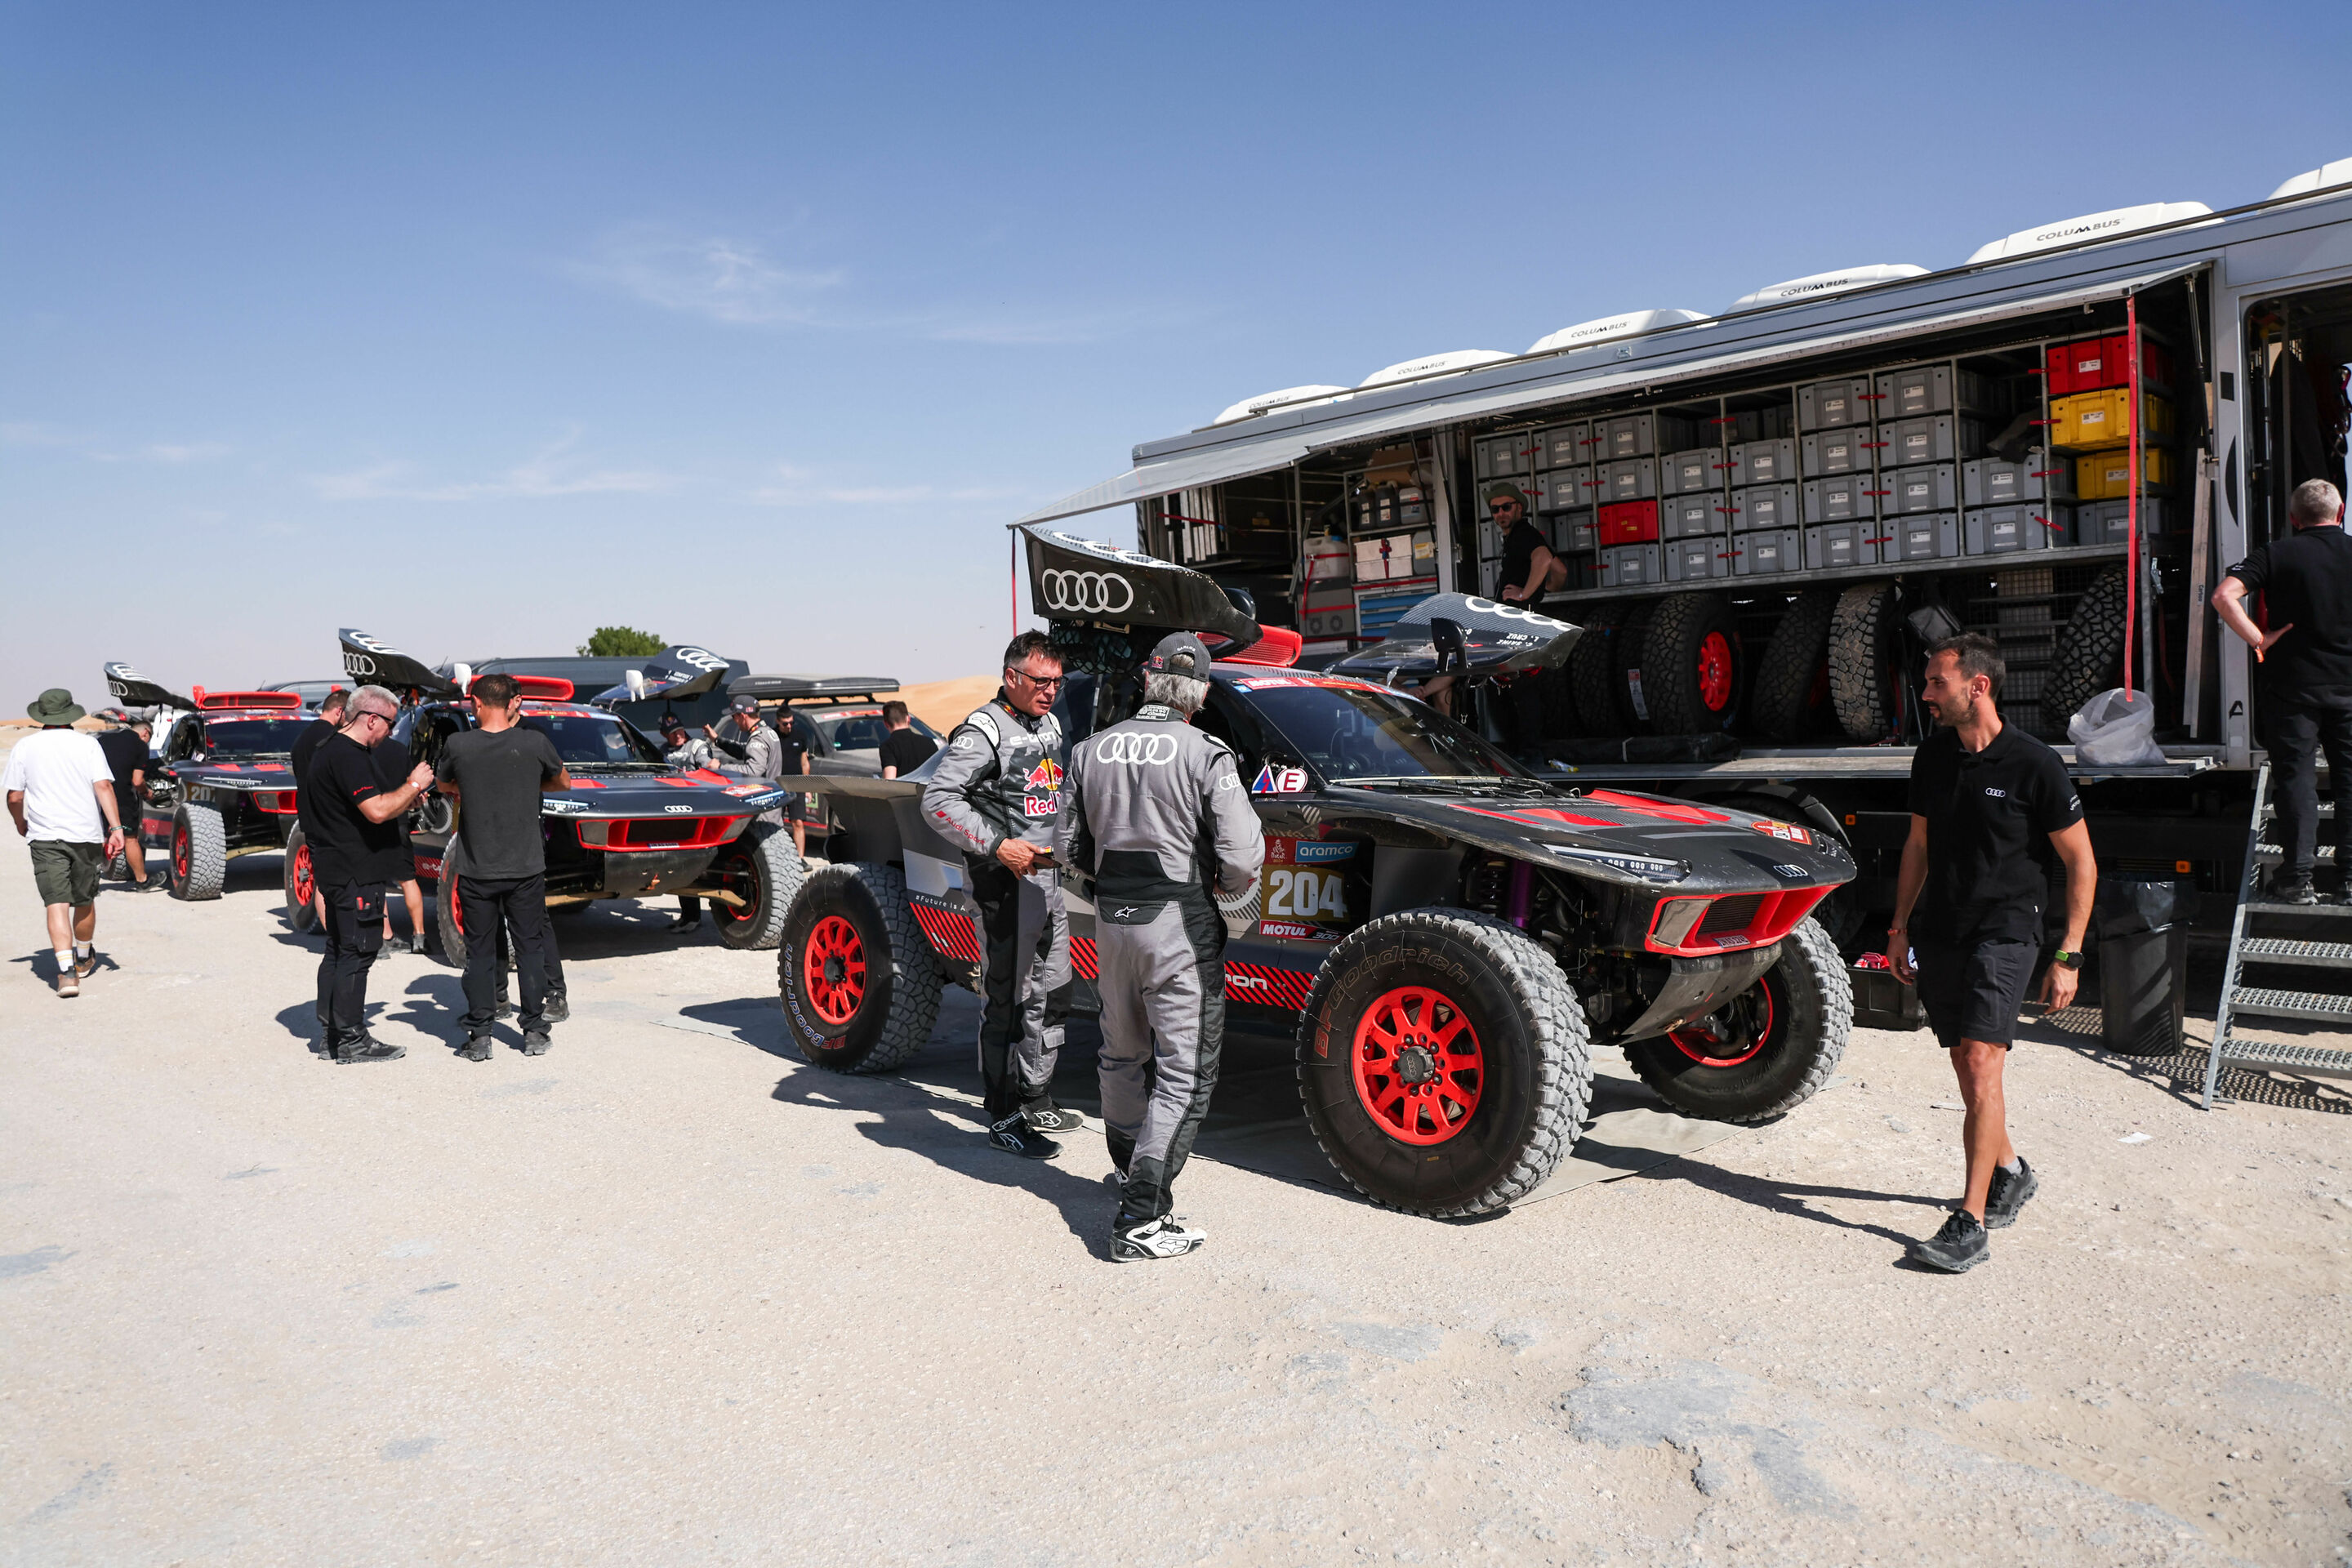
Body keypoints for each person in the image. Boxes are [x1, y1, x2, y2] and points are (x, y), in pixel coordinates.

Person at [1889, 634, 2096, 1272]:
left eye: (1936, 682)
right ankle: (2011, 1170)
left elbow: (2081, 862)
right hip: (1943, 930)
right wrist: (1899, 926)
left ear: (1977, 686)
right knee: (1964, 1065)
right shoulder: (1931, 758)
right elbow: (1918, 846)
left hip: (2008, 931)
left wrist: (2069, 954)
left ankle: (1970, 1221)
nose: (1926, 693)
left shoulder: (2035, 764)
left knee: (1982, 1064)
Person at [1056, 632, 1263, 1261]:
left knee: (1120, 1054)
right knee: (1184, 1070)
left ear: (1147, 681)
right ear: (1199, 693)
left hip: (1113, 921)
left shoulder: (1090, 749)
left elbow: (1066, 849)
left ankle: (1129, 1170)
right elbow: (1242, 857)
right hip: (1179, 922)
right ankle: (1141, 1216)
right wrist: (1224, 900)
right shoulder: (1206, 752)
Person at [921, 630, 1080, 1156]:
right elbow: (938, 800)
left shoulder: (1052, 723)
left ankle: (1036, 1095)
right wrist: (997, 845)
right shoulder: (983, 730)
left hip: (1049, 884)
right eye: (1041, 680)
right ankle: (1003, 1111)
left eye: (1058, 681)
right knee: (1009, 998)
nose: (1051, 690)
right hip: (1004, 887)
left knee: (1053, 991)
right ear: (1011, 676)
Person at [2212, 479, 2352, 902]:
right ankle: (2349, 882)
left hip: (2293, 690)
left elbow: (2223, 596)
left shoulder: (2275, 553)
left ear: (2294, 518)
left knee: (2295, 781)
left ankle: (2296, 880)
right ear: (2341, 512)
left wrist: (2259, 639)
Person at [436, 671, 571, 1060]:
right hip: (526, 867)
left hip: (477, 868)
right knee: (529, 948)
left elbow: (445, 785)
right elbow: (563, 782)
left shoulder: (459, 745)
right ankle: (534, 1031)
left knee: (479, 952)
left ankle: (480, 1036)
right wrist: (528, 783)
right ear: (510, 702)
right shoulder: (534, 743)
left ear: (476, 703)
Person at [298, 684, 434, 1064]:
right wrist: (413, 784)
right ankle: (352, 1039)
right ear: (371, 719)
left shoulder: (332, 749)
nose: (391, 732)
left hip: (339, 866)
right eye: (389, 724)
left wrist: (407, 798)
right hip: (354, 869)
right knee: (357, 953)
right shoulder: (347, 755)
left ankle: (332, 1037)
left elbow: (368, 808)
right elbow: (375, 810)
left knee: (340, 950)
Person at [6, 688, 127, 998]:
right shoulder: (88, 745)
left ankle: (66, 974)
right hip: (85, 834)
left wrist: (21, 822)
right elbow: (103, 787)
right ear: (71, 715)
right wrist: (116, 828)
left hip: (45, 836)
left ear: (42, 716)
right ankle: (84, 956)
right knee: (84, 899)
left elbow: (15, 796)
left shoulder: (25, 746)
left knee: (56, 902)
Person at [1486, 481, 1557, 761]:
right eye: (1495, 509)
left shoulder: (1524, 533)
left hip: (1519, 624)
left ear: (1519, 508)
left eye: (1506, 507)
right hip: (1514, 622)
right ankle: (1522, 751)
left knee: (1521, 689)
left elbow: (1545, 558)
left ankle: (1529, 753)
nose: (1500, 513)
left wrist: (1526, 593)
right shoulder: (1515, 538)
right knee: (1510, 688)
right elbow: (1558, 569)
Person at [292, 688, 349, 930]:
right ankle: (340, 936)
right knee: (339, 881)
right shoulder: (333, 740)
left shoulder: (301, 739)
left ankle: (332, 937)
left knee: (322, 880)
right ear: (339, 711)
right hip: (331, 819)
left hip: (308, 816)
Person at [660, 714, 721, 930]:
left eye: (680, 730)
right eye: (672, 732)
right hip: (671, 814)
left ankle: (694, 917)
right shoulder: (661, 752)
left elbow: (708, 767)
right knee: (677, 867)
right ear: (663, 734)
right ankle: (687, 916)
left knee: (691, 864)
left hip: (696, 813)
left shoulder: (696, 746)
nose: (678, 735)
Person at [373, 724, 430, 955]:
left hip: (373, 818)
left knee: (376, 881)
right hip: (399, 820)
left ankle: (383, 936)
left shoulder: (365, 750)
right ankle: (419, 936)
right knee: (408, 879)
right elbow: (411, 784)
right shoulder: (400, 750)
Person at [96, 713, 158, 892]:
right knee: (130, 839)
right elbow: (137, 781)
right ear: (146, 733)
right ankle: (142, 880)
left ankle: (90, 883)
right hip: (121, 796)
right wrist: (147, 793)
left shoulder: (103, 740)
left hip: (96, 792)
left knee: (99, 835)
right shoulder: (140, 746)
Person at [878, 700, 937, 779]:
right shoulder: (929, 742)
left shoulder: (888, 747)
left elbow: (890, 779)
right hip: (930, 790)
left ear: (886, 724)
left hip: (904, 791)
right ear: (908, 719)